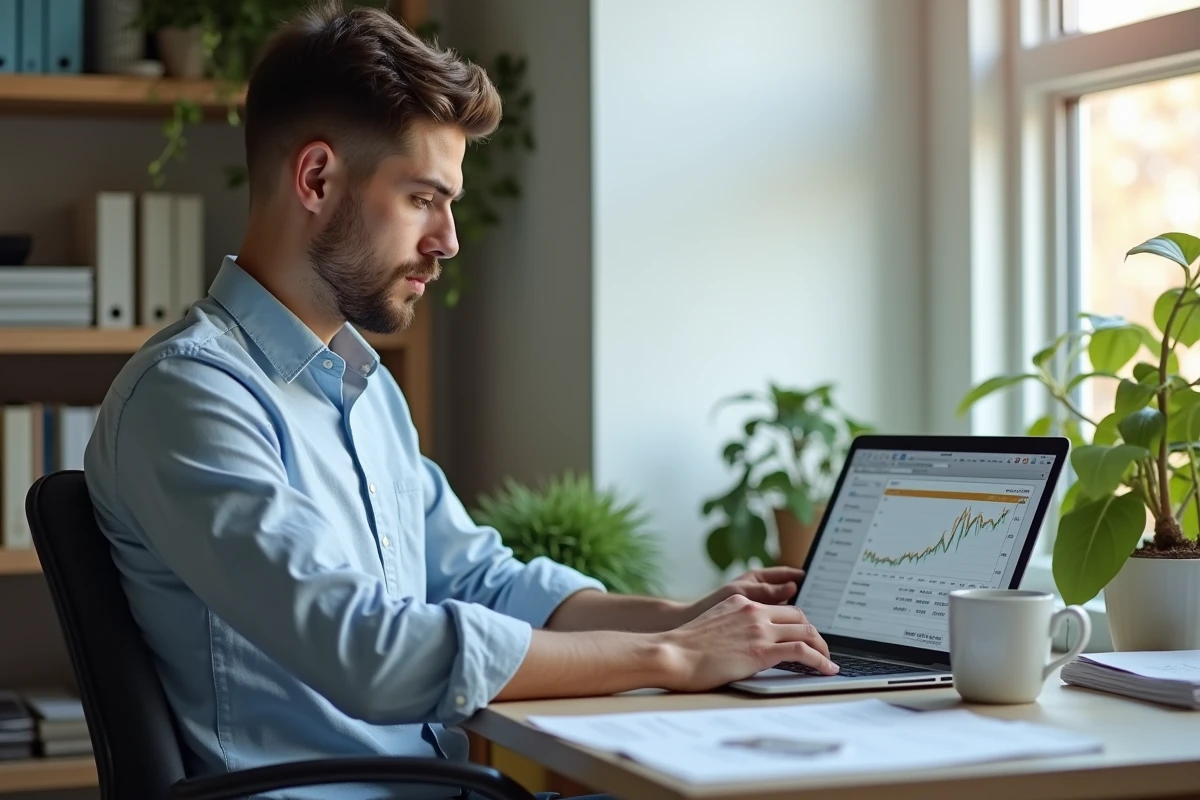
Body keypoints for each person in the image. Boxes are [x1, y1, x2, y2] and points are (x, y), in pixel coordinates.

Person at [82, 2, 838, 799]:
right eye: (422, 198)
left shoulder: (363, 389)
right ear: (317, 179)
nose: (447, 239)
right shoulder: (191, 396)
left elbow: (484, 582)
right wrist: (674, 657)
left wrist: (685, 615)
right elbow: (368, 651)